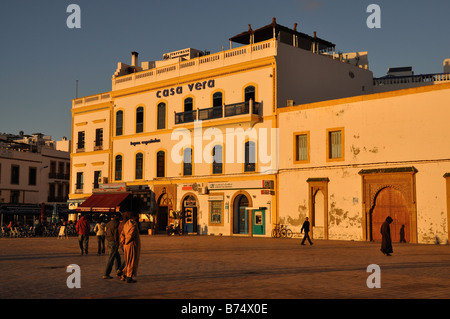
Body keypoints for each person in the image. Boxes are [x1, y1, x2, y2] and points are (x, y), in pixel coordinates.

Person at [120, 212, 141, 283]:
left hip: (126, 245)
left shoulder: (126, 224)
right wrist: (125, 241)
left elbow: (122, 233)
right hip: (131, 245)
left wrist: (122, 240)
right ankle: (129, 277)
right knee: (131, 261)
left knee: (128, 260)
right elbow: (130, 236)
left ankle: (124, 274)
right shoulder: (133, 225)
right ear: (134, 217)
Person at [103, 213, 124, 279]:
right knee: (111, 258)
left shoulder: (109, 223)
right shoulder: (116, 224)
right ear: (117, 217)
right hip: (114, 242)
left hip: (109, 241)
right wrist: (118, 242)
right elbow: (116, 234)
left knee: (117, 258)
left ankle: (118, 271)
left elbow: (106, 232)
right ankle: (106, 274)